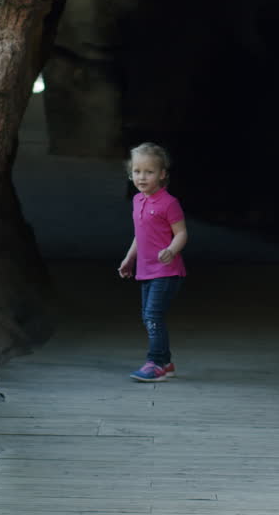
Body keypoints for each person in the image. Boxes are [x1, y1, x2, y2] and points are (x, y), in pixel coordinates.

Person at [117, 142, 188, 382]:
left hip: (167, 271)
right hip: (145, 270)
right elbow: (141, 234)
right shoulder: (138, 200)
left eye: (149, 172)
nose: (142, 177)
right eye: (137, 171)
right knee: (148, 317)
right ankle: (166, 362)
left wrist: (171, 250)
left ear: (162, 174)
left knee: (152, 316)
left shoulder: (169, 203)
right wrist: (129, 258)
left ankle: (155, 363)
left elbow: (181, 233)